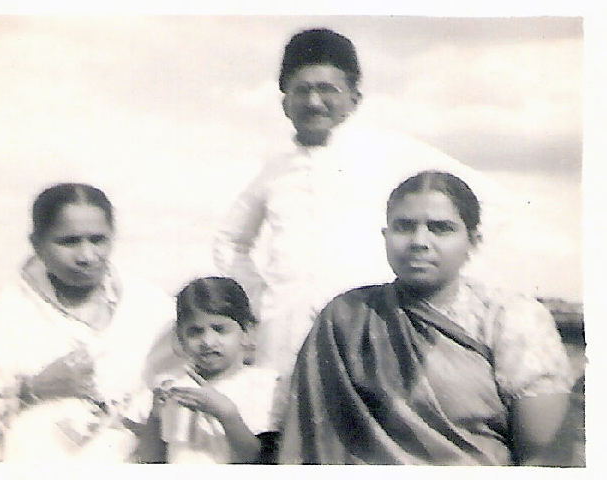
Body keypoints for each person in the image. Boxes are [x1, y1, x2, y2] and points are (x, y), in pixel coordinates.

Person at [213, 28, 508, 397]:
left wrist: (429, 284)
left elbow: (493, 203)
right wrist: (261, 297)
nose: (315, 102)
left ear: (354, 98)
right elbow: (229, 241)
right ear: (284, 101)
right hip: (284, 337)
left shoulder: (391, 150)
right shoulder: (275, 169)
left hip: (375, 329)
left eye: (328, 90)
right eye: (302, 90)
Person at [278, 171, 574, 465]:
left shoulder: (511, 318)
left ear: (473, 241)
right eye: (404, 227)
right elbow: (311, 441)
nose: (419, 241)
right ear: (385, 236)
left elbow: (542, 454)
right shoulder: (345, 317)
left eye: (441, 228)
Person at [0, 183, 175, 462]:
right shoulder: (12, 311)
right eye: (69, 241)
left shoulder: (148, 305)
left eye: (97, 240)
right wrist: (33, 390)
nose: (86, 256)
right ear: (37, 243)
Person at [135, 277, 280, 464]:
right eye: (195, 332)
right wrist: (155, 417)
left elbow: (259, 460)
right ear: (180, 337)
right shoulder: (172, 385)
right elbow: (150, 460)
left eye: (220, 329)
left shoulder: (264, 387)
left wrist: (226, 414)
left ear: (247, 332)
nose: (208, 342)